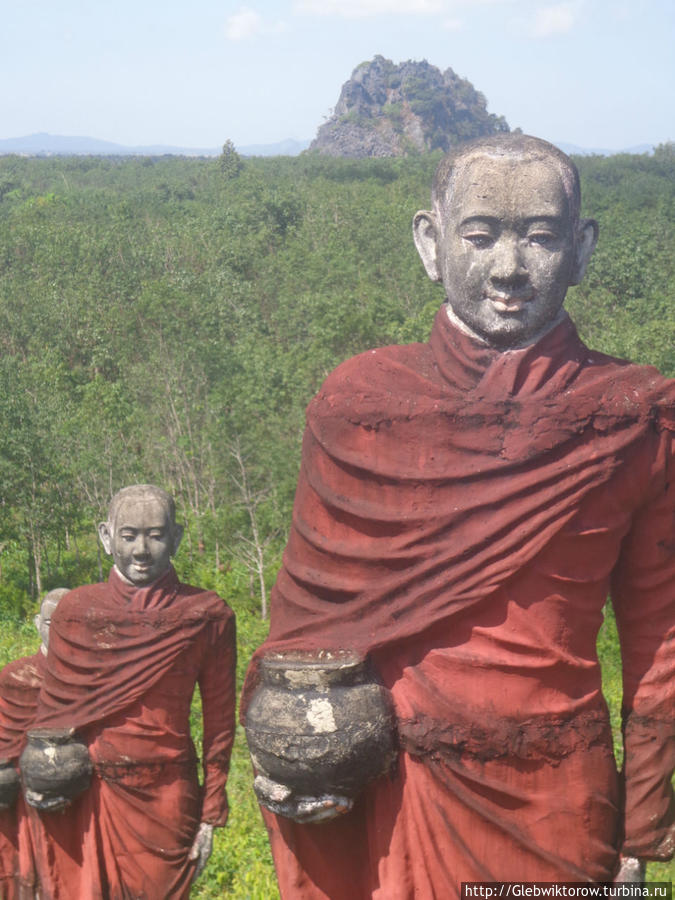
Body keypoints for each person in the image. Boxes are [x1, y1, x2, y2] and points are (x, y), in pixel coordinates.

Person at [243, 134, 675, 897]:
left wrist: (641, 824)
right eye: (479, 235)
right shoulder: (360, 402)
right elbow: (306, 620)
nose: (508, 269)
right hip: (371, 787)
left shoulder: (632, 416)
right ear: (429, 242)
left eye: (540, 237)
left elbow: (662, 645)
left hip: (550, 800)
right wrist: (280, 747)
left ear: (581, 249)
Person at [28, 484, 236, 899]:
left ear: (176, 536)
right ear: (106, 537)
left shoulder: (206, 615)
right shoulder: (77, 613)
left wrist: (210, 813)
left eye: (156, 535)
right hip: (89, 792)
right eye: (129, 536)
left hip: (167, 797)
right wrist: (42, 784)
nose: (142, 550)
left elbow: (219, 723)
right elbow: (51, 720)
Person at [0, 588, 67, 900]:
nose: (63, 630)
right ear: (38, 623)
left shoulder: (95, 683)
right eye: (54, 622)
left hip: (75, 808)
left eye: (72, 621)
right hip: (20, 811)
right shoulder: (13, 678)